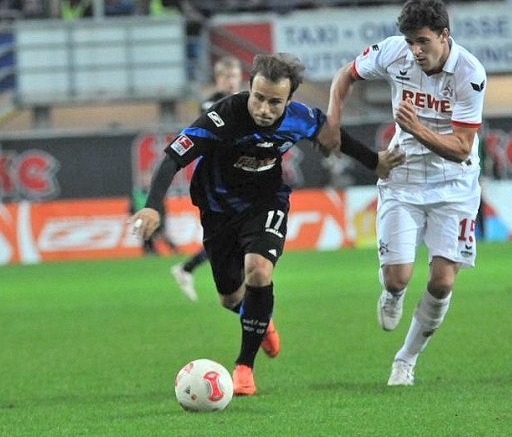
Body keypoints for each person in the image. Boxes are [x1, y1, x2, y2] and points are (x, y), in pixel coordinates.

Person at [131, 53, 403, 396]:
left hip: (266, 202)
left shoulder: (300, 118)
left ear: (288, 100)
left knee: (259, 270)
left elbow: (335, 136)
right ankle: (258, 317)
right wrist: (154, 206)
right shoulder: (223, 117)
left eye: (275, 102)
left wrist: (374, 160)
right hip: (218, 211)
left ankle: (244, 367)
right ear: (249, 89)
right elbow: (173, 156)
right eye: (258, 98)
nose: (264, 108)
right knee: (229, 298)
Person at [326, 0, 487, 386]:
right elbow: (344, 75)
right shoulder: (393, 52)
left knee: (442, 280)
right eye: (411, 41)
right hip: (403, 176)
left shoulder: (470, 73)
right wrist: (333, 122)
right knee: (397, 278)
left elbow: (462, 148)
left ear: (444, 36)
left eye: (423, 42)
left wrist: (416, 128)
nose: (415, 51)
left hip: (455, 184)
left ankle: (405, 360)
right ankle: (393, 294)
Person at [171, 55, 244, 301]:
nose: (231, 81)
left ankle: (187, 268)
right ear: (217, 79)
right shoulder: (210, 106)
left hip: (236, 180)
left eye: (234, 76)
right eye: (226, 76)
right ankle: (188, 269)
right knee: (228, 237)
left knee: (231, 237)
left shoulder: (246, 102)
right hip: (215, 182)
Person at [130, 171, 179, 257]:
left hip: (155, 218)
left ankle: (174, 249)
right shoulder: (136, 193)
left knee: (161, 235)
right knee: (146, 236)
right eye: (143, 180)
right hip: (142, 219)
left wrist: (162, 219)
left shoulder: (154, 191)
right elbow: (132, 207)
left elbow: (162, 207)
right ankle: (151, 252)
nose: (144, 182)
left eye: (146, 179)